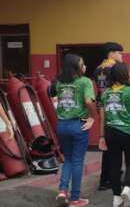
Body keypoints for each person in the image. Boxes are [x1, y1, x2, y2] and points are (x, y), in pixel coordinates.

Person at [98, 63, 130, 207]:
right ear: (123, 74)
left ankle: (116, 197)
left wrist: (101, 136)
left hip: (111, 132)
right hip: (128, 132)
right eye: (129, 72)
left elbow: (103, 117)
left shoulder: (105, 93)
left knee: (114, 164)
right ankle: (127, 188)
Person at [51, 54, 96, 207]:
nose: (85, 66)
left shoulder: (59, 83)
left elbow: (54, 100)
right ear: (75, 67)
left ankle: (62, 191)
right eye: (82, 64)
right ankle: (75, 198)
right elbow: (88, 101)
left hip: (62, 125)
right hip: (78, 126)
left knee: (68, 159)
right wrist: (92, 117)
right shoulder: (85, 82)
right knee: (77, 161)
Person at [95, 42, 124, 191]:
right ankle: (108, 178)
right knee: (113, 146)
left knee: (108, 143)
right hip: (113, 108)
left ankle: (107, 177)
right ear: (111, 53)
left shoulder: (98, 68)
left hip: (102, 107)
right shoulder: (114, 68)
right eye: (120, 53)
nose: (122, 56)